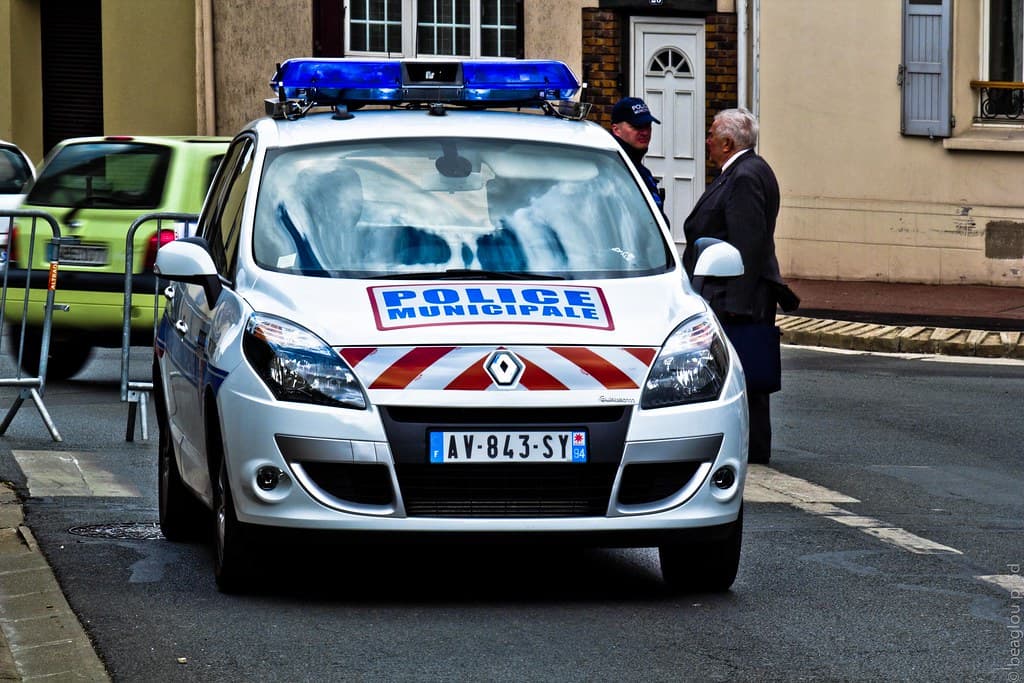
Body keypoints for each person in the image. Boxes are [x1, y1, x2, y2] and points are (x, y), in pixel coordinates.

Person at [681, 108, 798, 465]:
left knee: (739, 375)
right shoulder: (746, 170)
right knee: (743, 376)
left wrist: (737, 304)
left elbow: (747, 245)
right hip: (734, 295)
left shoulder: (745, 176)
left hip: (733, 297)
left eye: (712, 136)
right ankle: (744, 447)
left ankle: (747, 449)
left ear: (728, 143)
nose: (707, 142)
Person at [609, 97, 665, 214]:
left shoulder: (641, 171)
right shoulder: (611, 170)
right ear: (616, 130)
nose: (645, 132)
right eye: (637, 126)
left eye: (647, 125)